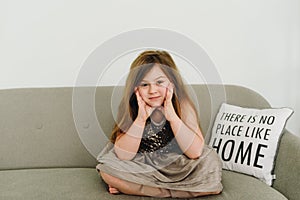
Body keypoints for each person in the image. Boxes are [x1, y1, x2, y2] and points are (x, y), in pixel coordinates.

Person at [96, 50, 223, 198]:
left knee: (211, 161)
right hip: (144, 166)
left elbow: (195, 152)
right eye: (144, 84)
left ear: (172, 83)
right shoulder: (131, 107)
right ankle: (180, 192)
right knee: (106, 170)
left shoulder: (183, 105)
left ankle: (141, 189)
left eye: (160, 82)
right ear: (135, 88)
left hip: (179, 166)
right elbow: (124, 155)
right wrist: (141, 119)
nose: (152, 90)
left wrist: (172, 117)